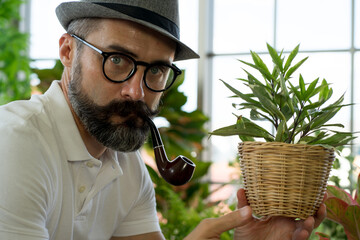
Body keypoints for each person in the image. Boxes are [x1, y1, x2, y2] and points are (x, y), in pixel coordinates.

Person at [0, 0, 326, 239]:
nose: (136, 92)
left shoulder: (128, 170)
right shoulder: (15, 144)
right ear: (69, 52)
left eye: (155, 70)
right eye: (116, 60)